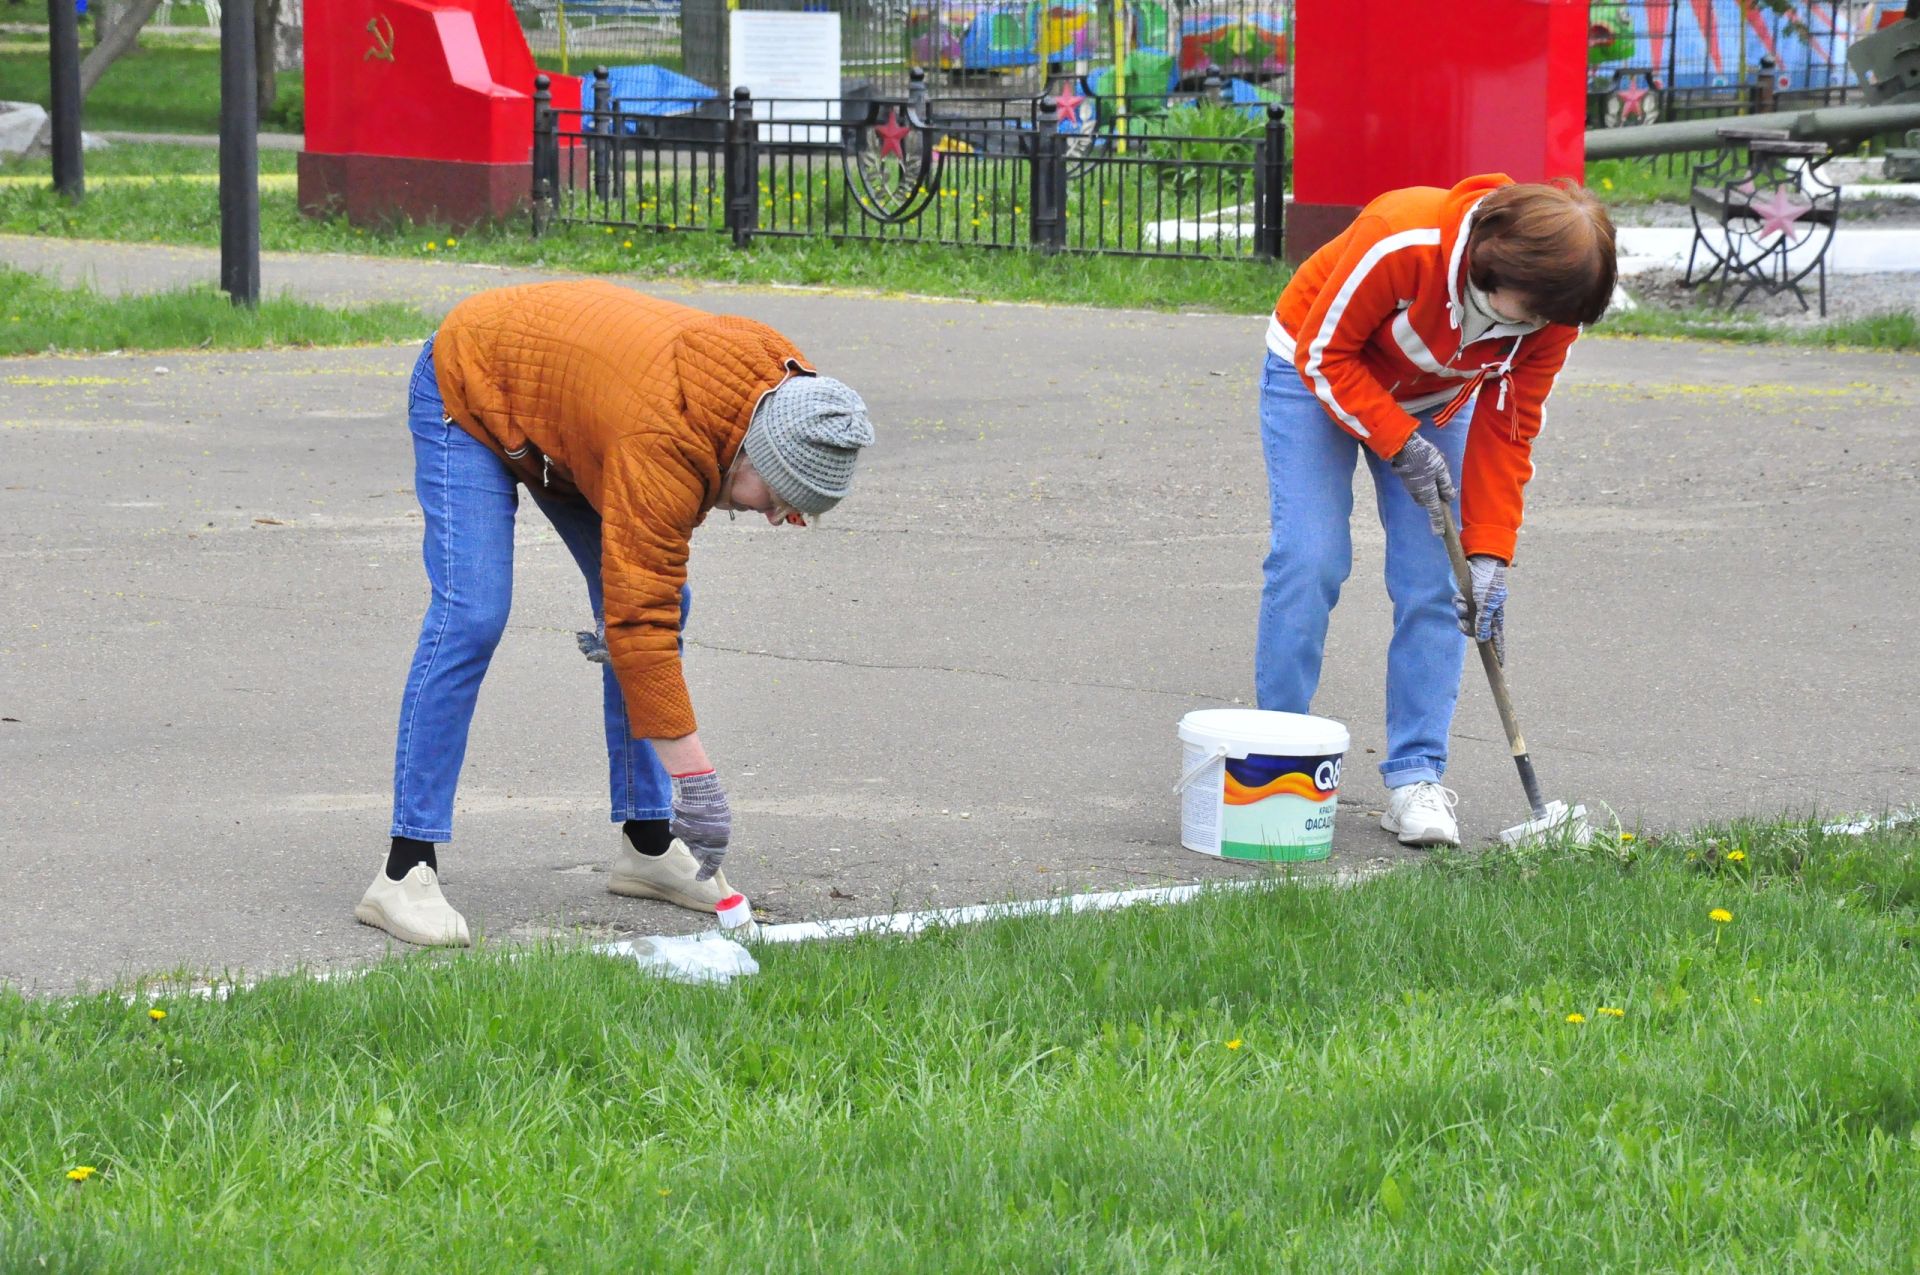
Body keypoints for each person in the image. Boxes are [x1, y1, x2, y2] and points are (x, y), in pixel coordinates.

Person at [356, 280, 875, 946]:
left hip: (573, 424)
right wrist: (699, 781)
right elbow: (640, 629)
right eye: (776, 497)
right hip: (474, 380)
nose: (778, 517)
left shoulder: (789, 399)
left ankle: (649, 843)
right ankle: (403, 870)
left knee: (656, 597)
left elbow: (648, 600)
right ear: (753, 453)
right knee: (474, 610)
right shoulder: (668, 443)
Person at [1256, 175, 1616, 847]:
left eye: (1551, 319)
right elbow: (1324, 354)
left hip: (1435, 399)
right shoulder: (1403, 236)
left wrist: (1488, 554)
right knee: (1311, 558)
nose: (1538, 327)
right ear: (1492, 265)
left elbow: (1509, 431)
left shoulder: (1551, 313)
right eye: (1528, 310)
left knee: (1441, 584)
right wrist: (1396, 442)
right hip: (1314, 371)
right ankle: (1279, 752)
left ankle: (1416, 777)